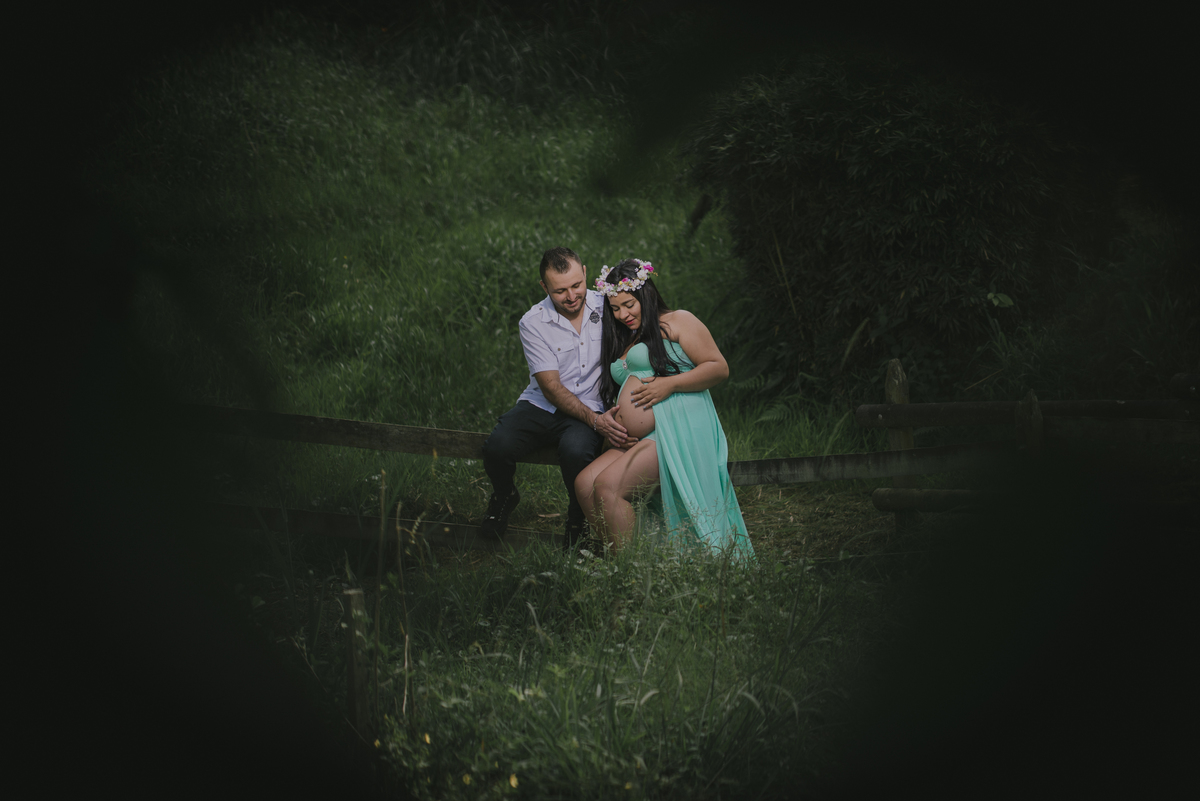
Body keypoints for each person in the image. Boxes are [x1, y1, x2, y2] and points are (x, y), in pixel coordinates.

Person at [574, 258, 755, 560]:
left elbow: (718, 367)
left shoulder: (677, 320)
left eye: (628, 305)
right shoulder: (627, 335)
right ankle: (621, 559)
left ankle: (629, 571)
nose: (622, 314)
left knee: (607, 487)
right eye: (615, 308)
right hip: (637, 437)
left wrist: (669, 385)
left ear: (645, 294)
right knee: (584, 484)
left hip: (672, 429)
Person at [480, 247, 634, 546]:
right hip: (542, 403)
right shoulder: (533, 322)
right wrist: (595, 421)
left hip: (592, 402)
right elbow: (550, 387)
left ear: (585, 273)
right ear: (544, 287)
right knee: (497, 446)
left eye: (577, 285)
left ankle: (578, 522)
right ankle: (504, 495)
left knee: (576, 452)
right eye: (560, 291)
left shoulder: (607, 305)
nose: (572, 296)